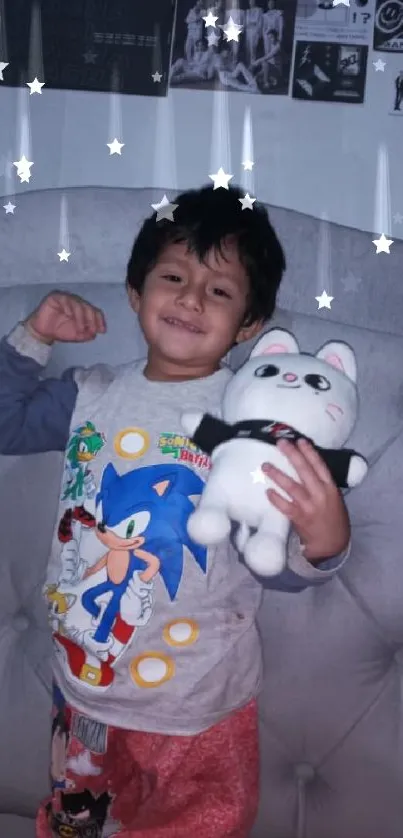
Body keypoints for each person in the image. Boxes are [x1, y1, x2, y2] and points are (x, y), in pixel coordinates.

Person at [0, 184, 351, 838]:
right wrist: (33, 336)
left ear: (249, 324)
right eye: (172, 277)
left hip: (197, 711)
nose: (191, 298)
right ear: (135, 293)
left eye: (218, 290)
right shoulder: (90, 394)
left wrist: (322, 543)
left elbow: (273, 561)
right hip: (82, 693)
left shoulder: (251, 426)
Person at [245, 0, 264, 67]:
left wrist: (259, 34)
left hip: (255, 33)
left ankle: (252, 67)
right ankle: (248, 66)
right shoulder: (247, 11)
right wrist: (252, 23)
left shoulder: (259, 10)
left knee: (253, 51)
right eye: (250, 1)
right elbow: (246, 24)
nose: (251, 2)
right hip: (248, 33)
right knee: (248, 51)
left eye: (252, 1)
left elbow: (260, 23)